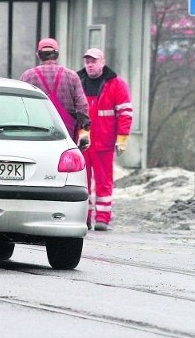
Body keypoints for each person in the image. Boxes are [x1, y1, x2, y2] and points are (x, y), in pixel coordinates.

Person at [77, 48, 133, 231]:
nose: (90, 65)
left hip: (104, 143)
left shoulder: (116, 84)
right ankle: (82, 216)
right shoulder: (77, 82)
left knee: (103, 181)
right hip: (82, 143)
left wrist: (122, 138)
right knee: (80, 182)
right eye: (87, 61)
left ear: (103, 62)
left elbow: (125, 113)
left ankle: (102, 218)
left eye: (94, 61)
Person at [20, 38, 91, 148]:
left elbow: (20, 107)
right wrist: (85, 131)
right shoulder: (71, 76)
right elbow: (82, 106)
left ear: (38, 55)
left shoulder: (27, 76)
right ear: (57, 55)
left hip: (36, 132)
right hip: (65, 133)